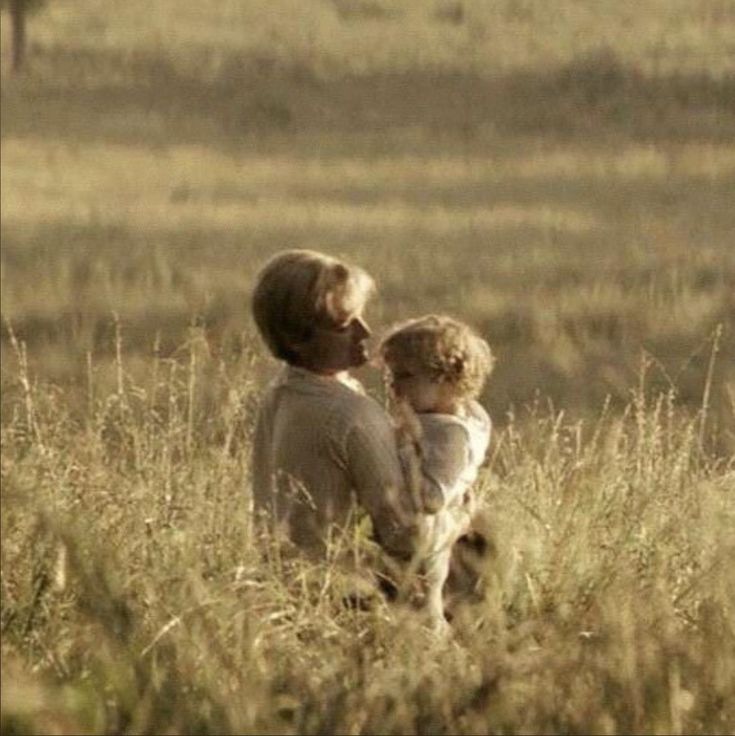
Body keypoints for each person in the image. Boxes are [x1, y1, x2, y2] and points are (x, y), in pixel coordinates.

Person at [250, 249, 420, 573]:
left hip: (279, 583)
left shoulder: (280, 394)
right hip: (348, 593)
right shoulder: (351, 414)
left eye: (360, 316)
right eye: (344, 325)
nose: (365, 333)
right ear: (296, 338)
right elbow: (403, 534)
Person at [378, 314, 494, 628]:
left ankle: (437, 652)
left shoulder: (449, 434)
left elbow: (431, 497)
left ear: (448, 378)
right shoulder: (447, 417)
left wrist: (392, 460)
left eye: (405, 375)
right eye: (390, 376)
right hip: (419, 533)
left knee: (424, 606)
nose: (393, 385)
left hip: (430, 537)